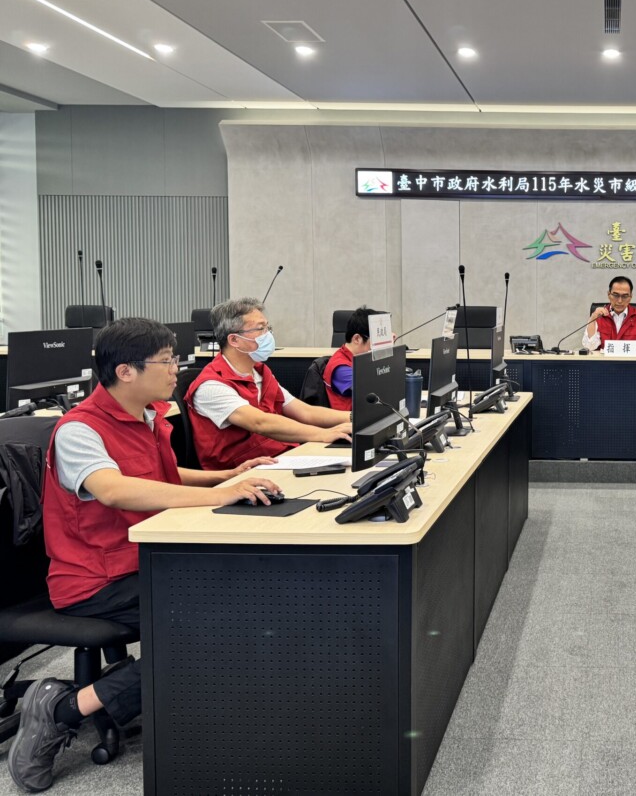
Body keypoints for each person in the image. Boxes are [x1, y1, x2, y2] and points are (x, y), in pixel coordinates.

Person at [7, 318, 280, 794]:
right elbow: (113, 490)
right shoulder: (79, 430)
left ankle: (134, 688)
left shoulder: (149, 416)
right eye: (167, 361)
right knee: (223, 623)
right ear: (126, 371)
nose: (177, 369)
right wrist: (222, 494)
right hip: (96, 580)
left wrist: (226, 476)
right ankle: (64, 709)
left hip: (147, 559)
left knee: (251, 599)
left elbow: (162, 477)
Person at [186, 298, 352, 470]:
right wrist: (323, 434)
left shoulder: (260, 373)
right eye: (260, 329)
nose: (268, 335)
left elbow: (304, 411)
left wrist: (353, 418)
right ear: (234, 340)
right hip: (244, 472)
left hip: (280, 457)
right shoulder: (211, 386)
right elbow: (260, 423)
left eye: (267, 328)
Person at [322, 306, 380, 411]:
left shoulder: (360, 359)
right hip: (352, 419)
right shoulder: (341, 368)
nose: (378, 347)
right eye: (375, 342)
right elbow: (375, 390)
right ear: (357, 339)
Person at [582, 276, 636, 353]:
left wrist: (625, 349)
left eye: (625, 296)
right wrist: (593, 318)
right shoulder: (598, 316)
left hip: (631, 361)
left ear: (630, 297)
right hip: (604, 361)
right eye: (615, 295)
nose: (619, 301)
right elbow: (589, 346)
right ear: (609, 294)